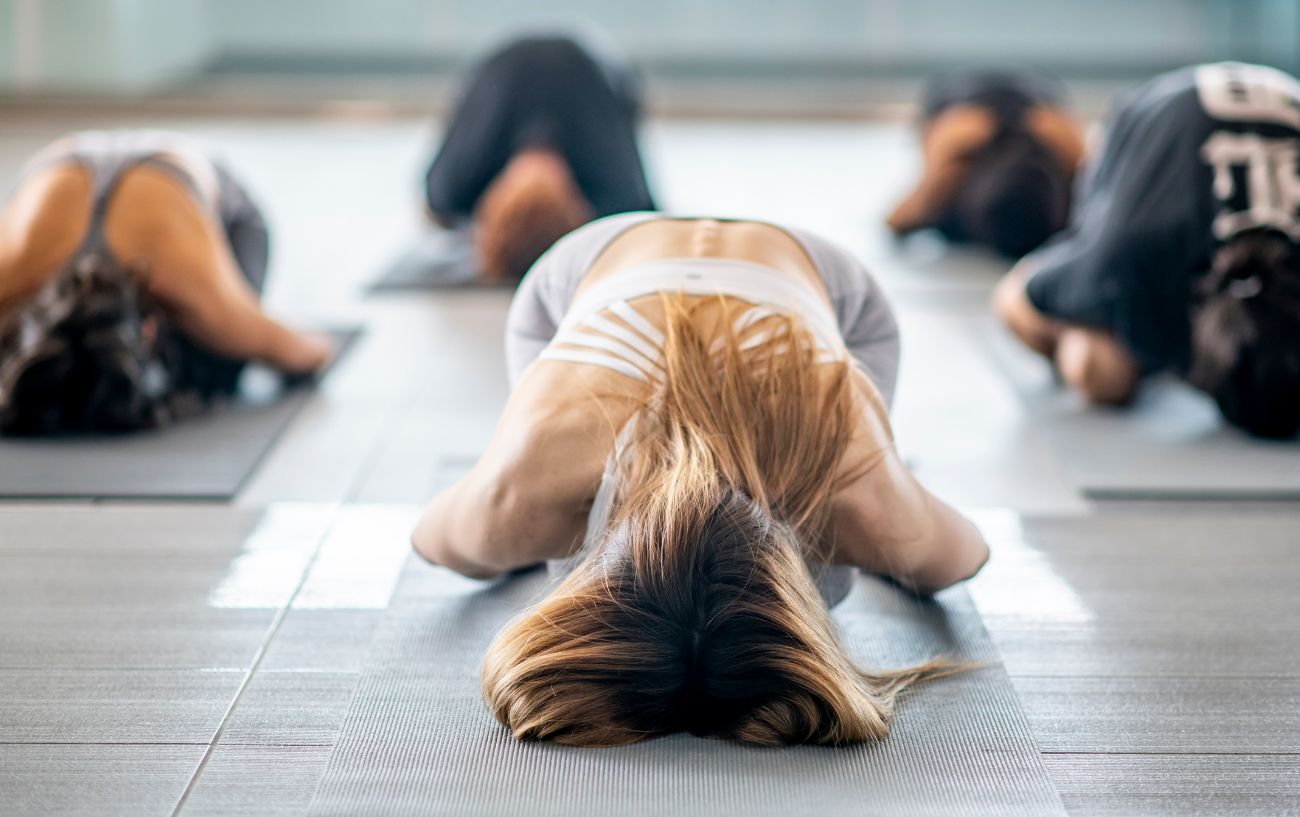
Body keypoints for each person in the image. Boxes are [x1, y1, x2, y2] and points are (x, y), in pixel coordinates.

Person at [411, 213, 989, 746]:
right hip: (610, 275)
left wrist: (890, 516)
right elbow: (436, 543)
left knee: (854, 562)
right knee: (510, 538)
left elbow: (963, 556)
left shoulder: (856, 494)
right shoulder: (523, 489)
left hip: (807, 296)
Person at [994, 62, 1300, 439]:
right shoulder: (1128, 258)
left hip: (1249, 99)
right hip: (1149, 115)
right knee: (1100, 370)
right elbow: (1018, 299)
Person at [0, 130, 332, 435]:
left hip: (213, 203)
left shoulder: (195, 294)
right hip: (68, 162)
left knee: (222, 352)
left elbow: (309, 353)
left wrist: (248, 332)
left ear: (148, 329)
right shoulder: (14, 278)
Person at [423, 33, 657, 284]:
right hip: (590, 65)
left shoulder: (455, 187)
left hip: (512, 62)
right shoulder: (616, 191)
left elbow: (436, 213)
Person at [887, 68, 1085, 259]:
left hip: (963, 109)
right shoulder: (1057, 162)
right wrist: (1079, 158)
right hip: (1036, 104)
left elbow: (896, 221)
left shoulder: (951, 182)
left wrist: (936, 172)